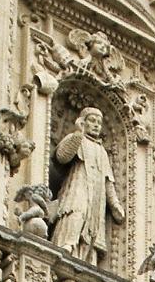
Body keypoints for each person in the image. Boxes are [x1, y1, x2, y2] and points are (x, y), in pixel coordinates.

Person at [50, 107, 124, 261]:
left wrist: (115, 204)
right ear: (83, 122)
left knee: (93, 225)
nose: (97, 125)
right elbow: (62, 157)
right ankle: (66, 245)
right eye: (92, 121)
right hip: (78, 187)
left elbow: (108, 181)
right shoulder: (76, 138)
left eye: (99, 122)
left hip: (97, 196)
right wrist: (78, 134)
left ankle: (88, 258)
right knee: (76, 212)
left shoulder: (102, 151)